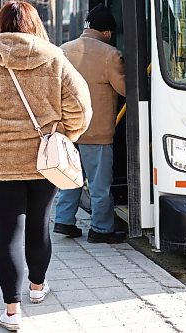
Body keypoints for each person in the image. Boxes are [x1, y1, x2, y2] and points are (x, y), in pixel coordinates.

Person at [0, 1, 92, 331]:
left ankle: (12, 313)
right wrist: (64, 133)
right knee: (39, 225)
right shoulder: (54, 59)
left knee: (9, 233)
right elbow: (82, 109)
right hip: (44, 164)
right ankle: (36, 288)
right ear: (36, 25)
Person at [54, 4, 126, 244]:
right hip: (97, 133)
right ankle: (101, 229)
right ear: (107, 32)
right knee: (99, 185)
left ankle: (64, 221)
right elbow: (124, 89)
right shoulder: (110, 54)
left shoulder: (63, 51)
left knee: (70, 179)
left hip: (68, 131)